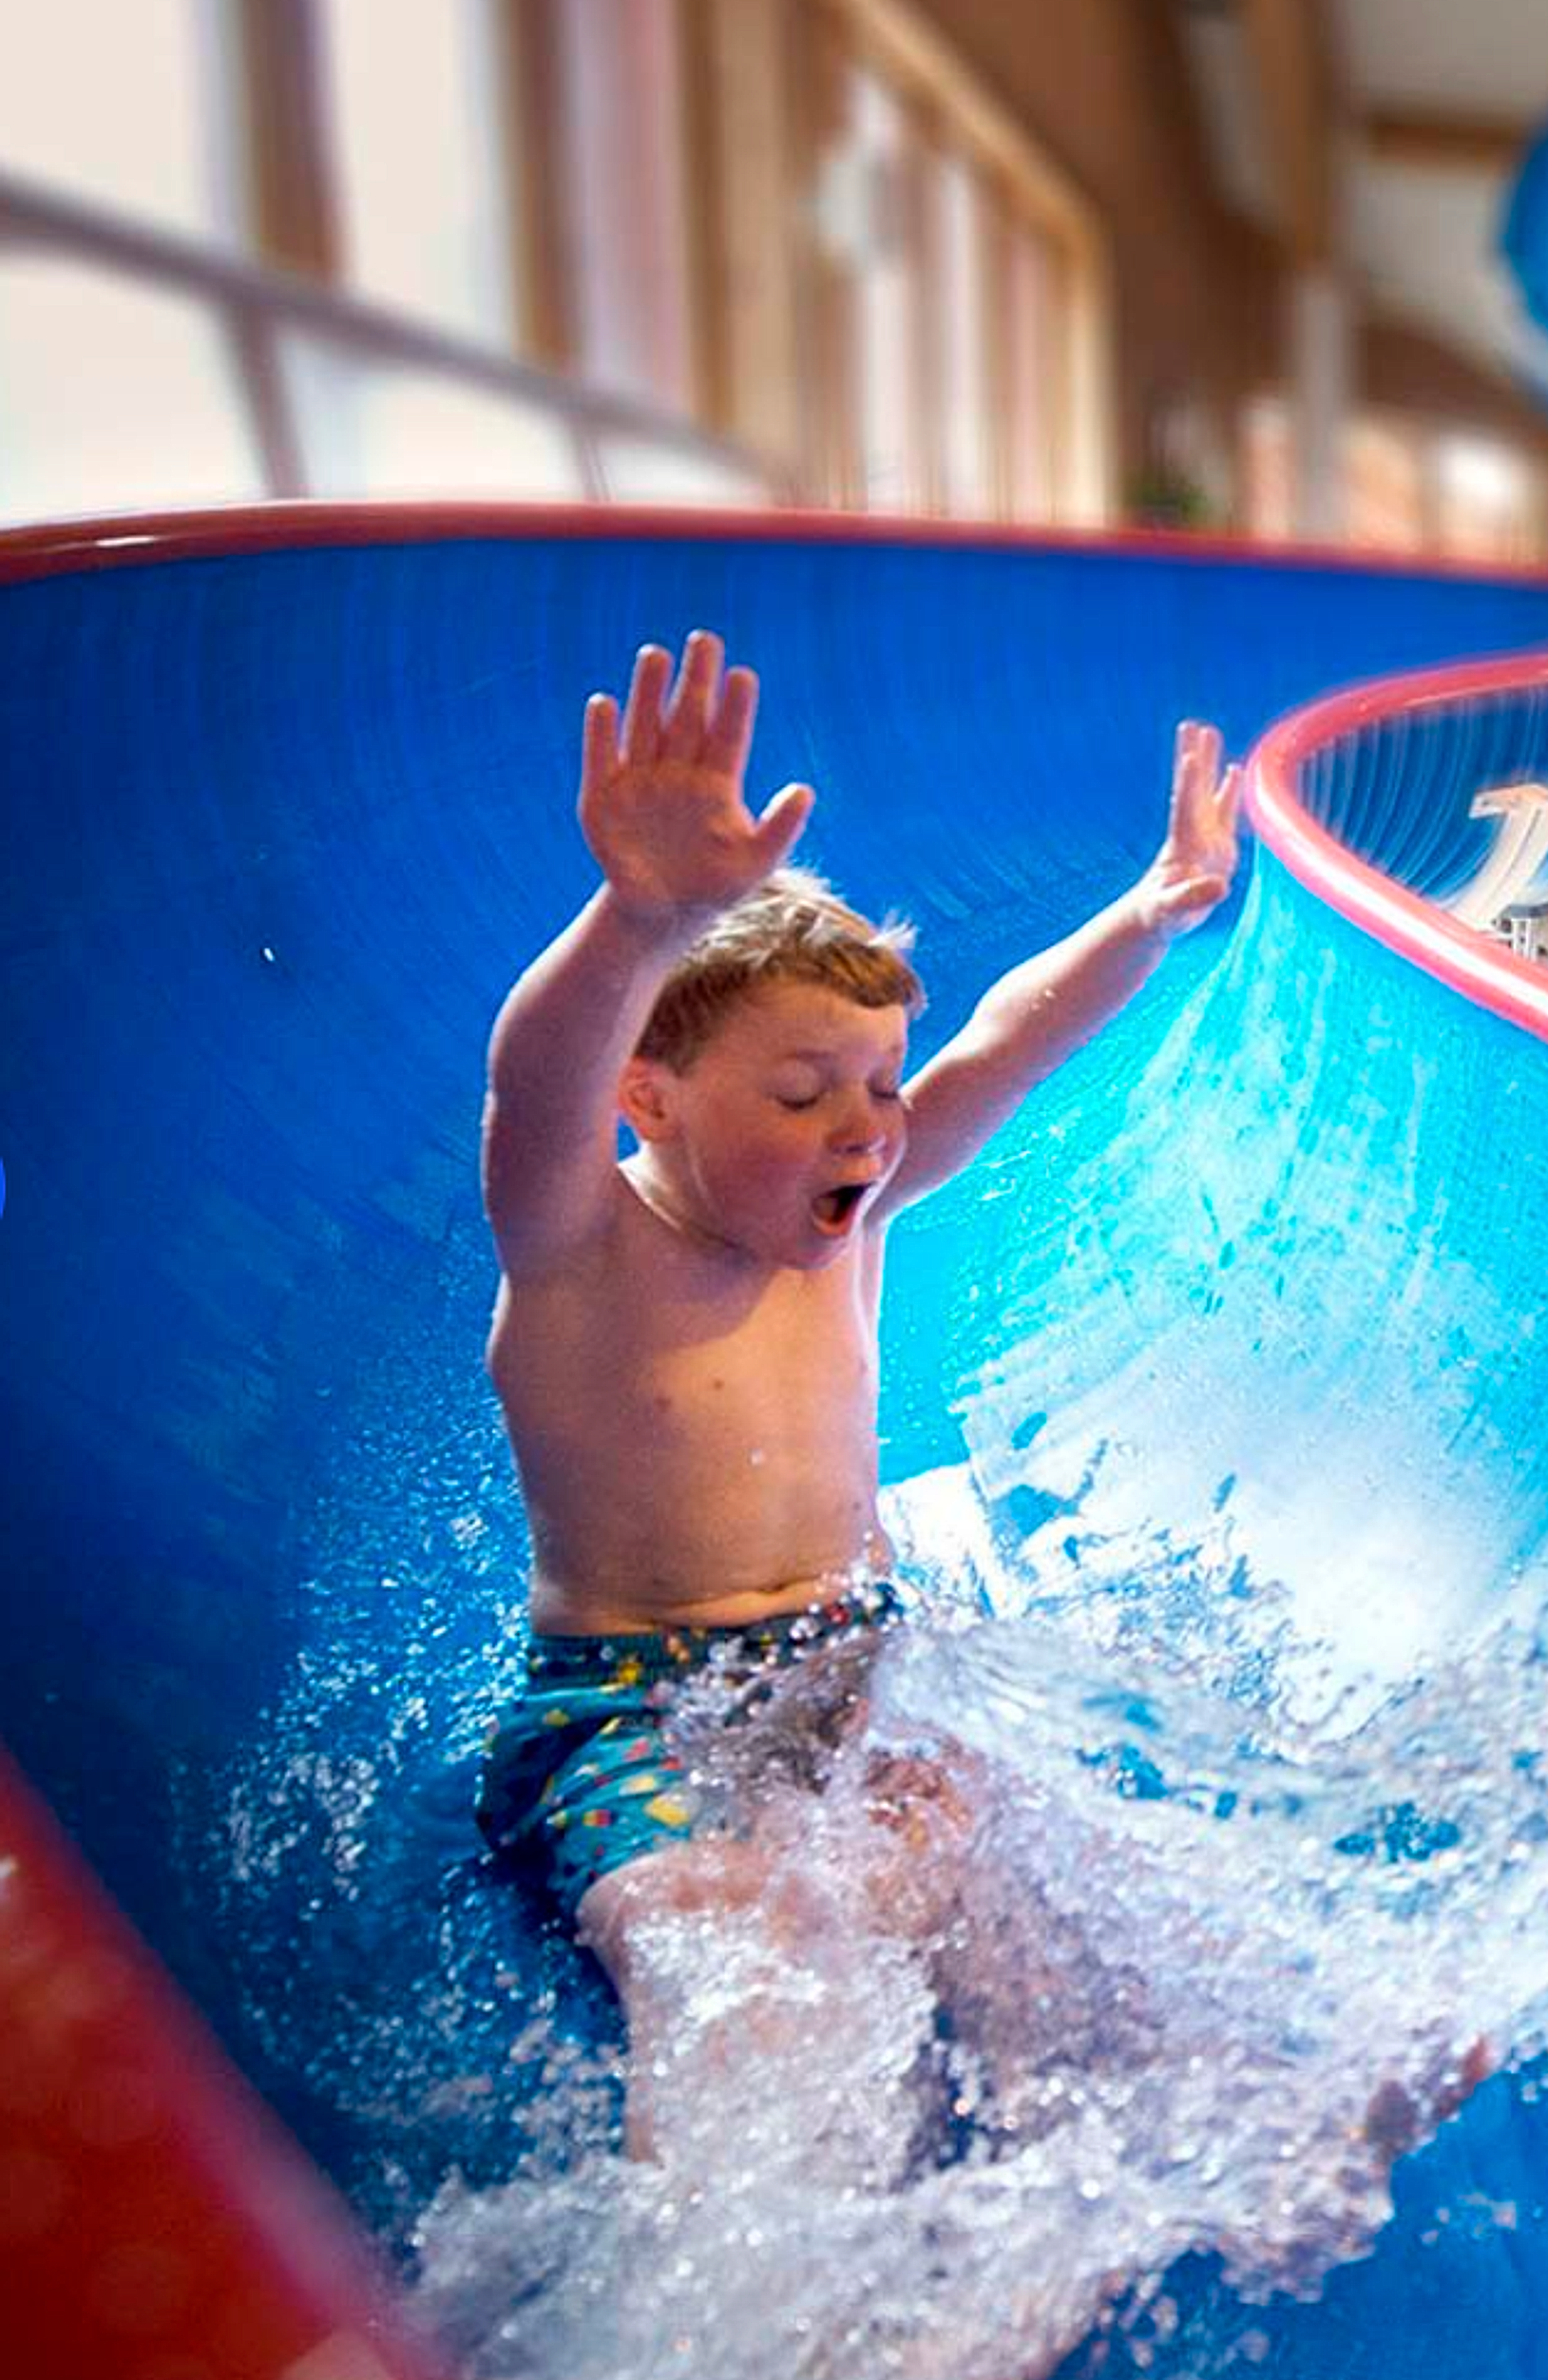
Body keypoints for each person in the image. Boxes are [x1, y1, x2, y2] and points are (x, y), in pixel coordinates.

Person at [472, 635, 1483, 2254]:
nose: (866, 1127)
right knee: (715, 1924)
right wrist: (638, 920)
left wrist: (1153, 912)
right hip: (631, 1705)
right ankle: (740, 2294)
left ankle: (1134, 2137)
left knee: (993, 1827)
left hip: (851, 1651)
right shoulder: (577, 1238)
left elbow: (1004, 1038)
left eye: (873, 1082)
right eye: (803, 1089)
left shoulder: (852, 1212)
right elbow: (534, 1080)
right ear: (650, 1095)